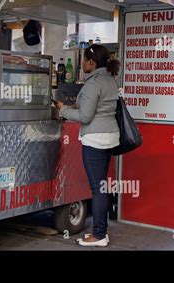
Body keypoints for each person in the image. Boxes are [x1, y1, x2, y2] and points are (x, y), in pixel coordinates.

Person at [55, 44, 120, 247]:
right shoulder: (109, 80)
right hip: (109, 136)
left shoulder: (93, 83)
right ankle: (102, 232)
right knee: (101, 186)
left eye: (84, 60)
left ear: (92, 62)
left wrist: (63, 110)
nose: (81, 63)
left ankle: (99, 234)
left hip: (96, 138)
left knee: (98, 188)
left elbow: (85, 116)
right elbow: (97, 107)